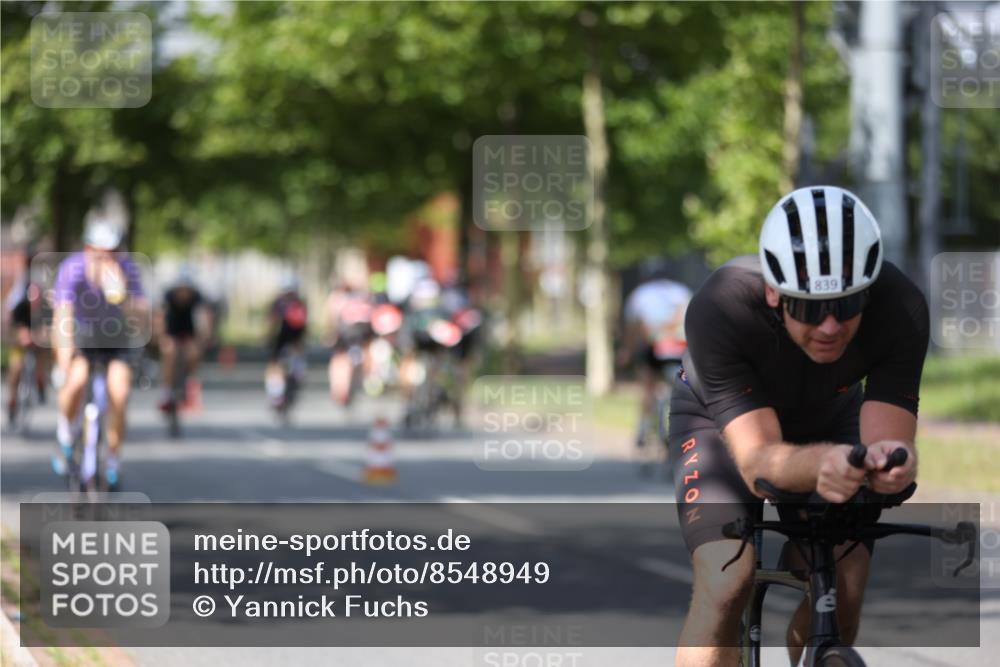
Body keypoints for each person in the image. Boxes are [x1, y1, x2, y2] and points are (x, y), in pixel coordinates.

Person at [668, 186, 928, 667]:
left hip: (830, 416)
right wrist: (822, 463)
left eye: (845, 305)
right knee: (726, 579)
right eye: (809, 308)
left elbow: (889, 443)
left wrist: (894, 465)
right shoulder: (722, 307)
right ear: (774, 292)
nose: (829, 326)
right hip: (721, 425)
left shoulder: (900, 308)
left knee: (845, 576)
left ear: (868, 291)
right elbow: (757, 461)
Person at [50, 219, 149, 491]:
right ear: (88, 250)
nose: (108, 259)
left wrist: (122, 297)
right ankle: (66, 436)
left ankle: (113, 459)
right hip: (83, 336)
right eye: (101, 253)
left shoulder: (128, 270)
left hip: (116, 338)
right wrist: (64, 358)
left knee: (120, 391)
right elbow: (62, 316)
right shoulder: (73, 269)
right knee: (76, 380)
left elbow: (142, 318)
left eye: (113, 252)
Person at [618, 261, 692, 450]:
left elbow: (633, 328)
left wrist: (627, 351)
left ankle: (643, 429)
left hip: (652, 348)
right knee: (679, 389)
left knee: (647, 387)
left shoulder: (640, 294)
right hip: (678, 348)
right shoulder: (682, 291)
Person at [3, 244, 50, 425]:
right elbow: (10, 319)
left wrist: (41, 334)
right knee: (16, 367)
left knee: (43, 351)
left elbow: (49, 317)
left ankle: (40, 381)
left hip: (37, 329)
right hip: (20, 329)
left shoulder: (43, 286)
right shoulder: (18, 289)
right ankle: (12, 401)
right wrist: (19, 333)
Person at [156, 266, 214, 412]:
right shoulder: (168, 295)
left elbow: (205, 316)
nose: (184, 293)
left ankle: (190, 382)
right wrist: (161, 336)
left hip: (189, 332)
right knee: (169, 353)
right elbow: (160, 317)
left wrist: (205, 336)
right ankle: (166, 393)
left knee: (193, 353)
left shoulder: (197, 297)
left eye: (187, 290)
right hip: (172, 331)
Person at [265, 276, 308, 407]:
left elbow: (271, 322)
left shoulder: (279, 303)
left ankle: (276, 393)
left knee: (275, 366)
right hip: (293, 340)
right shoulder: (299, 303)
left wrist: (268, 336)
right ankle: (280, 390)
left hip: (285, 340)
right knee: (282, 365)